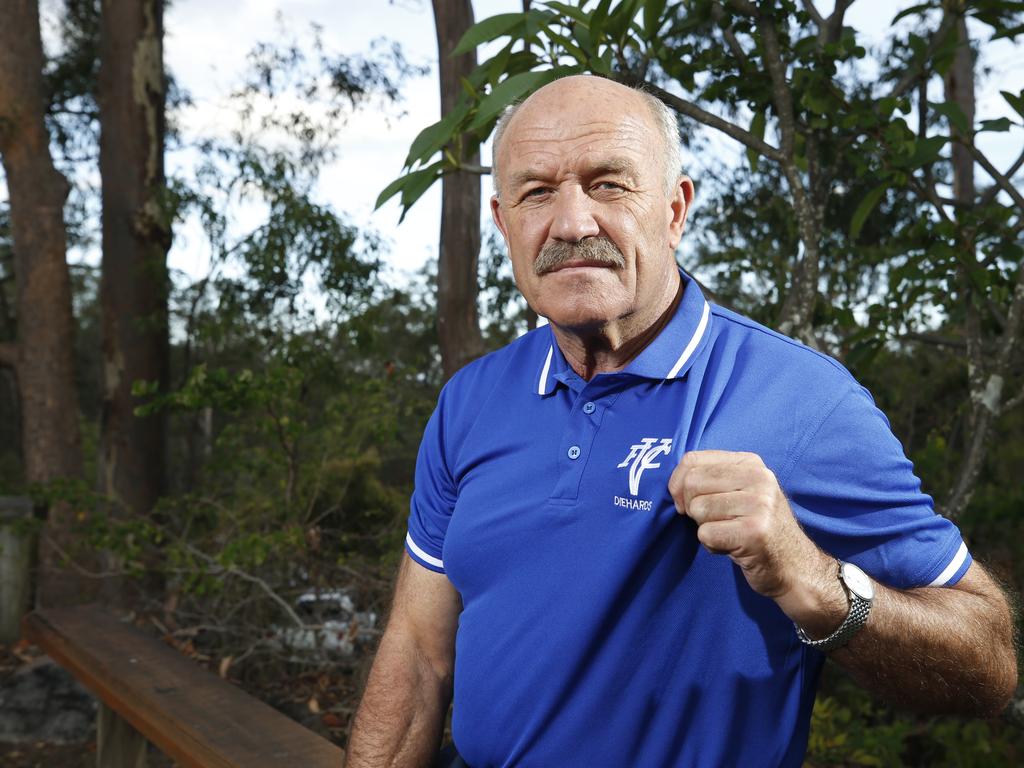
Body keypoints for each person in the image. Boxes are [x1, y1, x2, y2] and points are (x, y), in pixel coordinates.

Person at [345, 75, 1017, 768]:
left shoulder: (804, 401)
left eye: (608, 184)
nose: (572, 223)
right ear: (502, 220)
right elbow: (419, 653)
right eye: (537, 191)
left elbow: (988, 663)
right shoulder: (471, 401)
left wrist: (811, 582)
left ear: (674, 209)